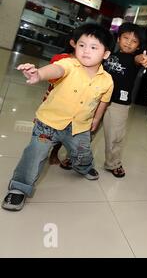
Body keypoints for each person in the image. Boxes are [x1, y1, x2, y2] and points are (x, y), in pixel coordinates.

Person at [1, 23, 114, 211]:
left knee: (82, 152)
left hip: (79, 127)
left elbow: (103, 101)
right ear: (75, 46)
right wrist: (39, 74)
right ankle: (19, 189)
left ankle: (84, 167)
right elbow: (56, 70)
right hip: (48, 123)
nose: (86, 51)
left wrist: (96, 119)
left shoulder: (107, 80)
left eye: (94, 47)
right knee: (35, 153)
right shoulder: (69, 64)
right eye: (81, 45)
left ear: (106, 54)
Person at [102, 23, 147, 177]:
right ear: (118, 39)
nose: (129, 42)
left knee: (115, 136)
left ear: (138, 46)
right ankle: (76, 157)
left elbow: (139, 59)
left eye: (134, 41)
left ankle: (113, 163)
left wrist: (145, 58)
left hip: (119, 103)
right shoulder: (107, 55)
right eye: (126, 38)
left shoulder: (134, 60)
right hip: (98, 98)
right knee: (86, 130)